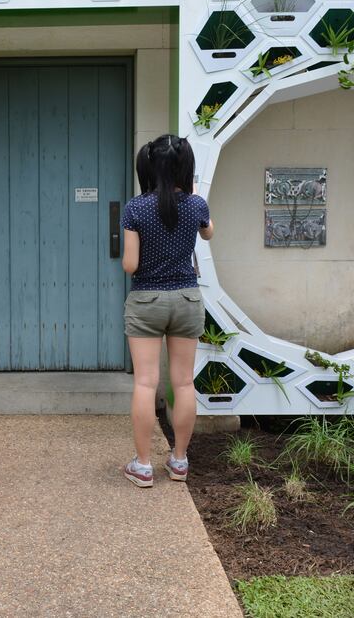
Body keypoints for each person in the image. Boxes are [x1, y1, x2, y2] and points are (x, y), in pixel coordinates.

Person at [121, 134, 214, 488]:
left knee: (146, 383)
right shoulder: (196, 205)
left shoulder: (136, 208)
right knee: (184, 382)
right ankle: (178, 462)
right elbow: (209, 234)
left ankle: (143, 467)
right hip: (187, 299)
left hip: (147, 299)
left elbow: (130, 264)